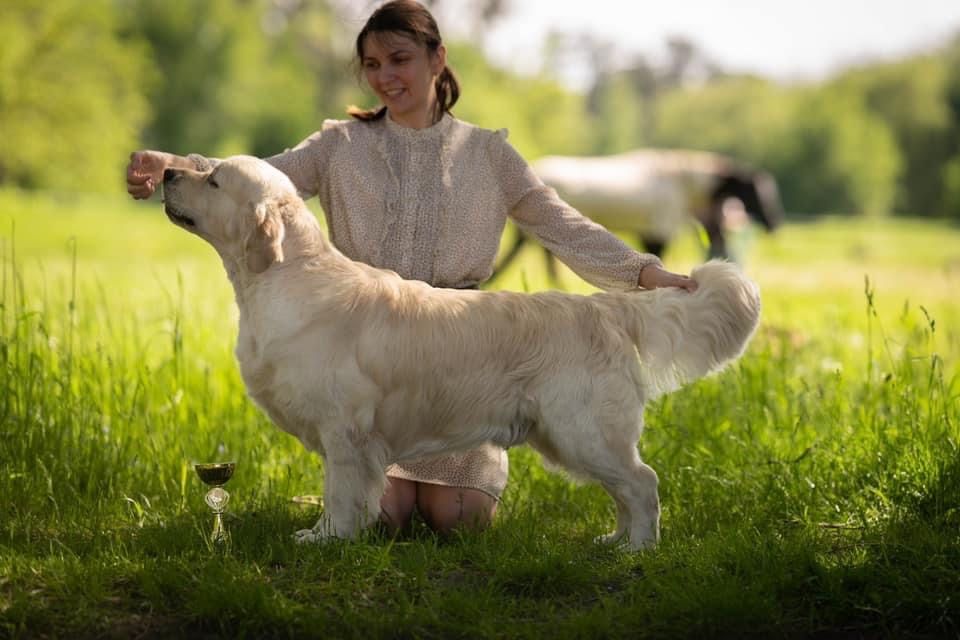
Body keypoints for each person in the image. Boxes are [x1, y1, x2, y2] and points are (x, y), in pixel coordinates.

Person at [126, 0, 697, 538]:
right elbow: (256, 182)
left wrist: (645, 274)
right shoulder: (339, 145)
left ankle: (620, 511)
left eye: (400, 60)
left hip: (467, 357)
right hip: (368, 344)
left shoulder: (488, 153)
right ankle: (353, 501)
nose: (385, 76)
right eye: (372, 64)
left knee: (455, 517)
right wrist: (172, 166)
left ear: (436, 58)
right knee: (388, 516)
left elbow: (559, 223)